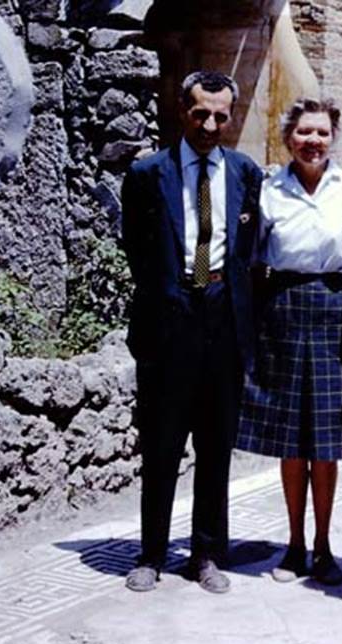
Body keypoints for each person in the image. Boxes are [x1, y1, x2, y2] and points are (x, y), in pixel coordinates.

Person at [120, 71, 263, 593]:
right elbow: (136, 246)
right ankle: (151, 554)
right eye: (200, 113)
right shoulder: (147, 174)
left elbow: (248, 250)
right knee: (160, 443)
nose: (210, 124)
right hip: (169, 319)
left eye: (220, 115)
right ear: (182, 111)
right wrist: (173, 290)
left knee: (216, 443)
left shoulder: (246, 174)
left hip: (223, 319)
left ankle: (205, 553)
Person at [237, 97, 342, 587]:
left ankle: (324, 546)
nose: (313, 141)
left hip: (337, 311)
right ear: (288, 137)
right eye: (303, 132)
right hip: (282, 311)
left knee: (327, 441)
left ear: (333, 137)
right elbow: (249, 258)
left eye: (322, 132)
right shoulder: (268, 190)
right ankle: (293, 544)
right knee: (291, 440)